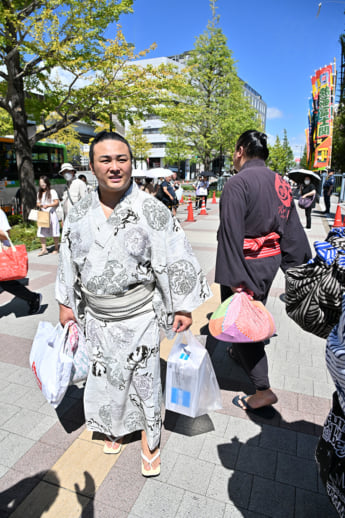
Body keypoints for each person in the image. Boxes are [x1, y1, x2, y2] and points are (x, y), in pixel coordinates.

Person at [55, 130, 211, 477]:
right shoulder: (78, 211)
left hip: (138, 313)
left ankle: (149, 438)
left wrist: (183, 307)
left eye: (121, 159)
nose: (114, 167)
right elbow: (67, 259)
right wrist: (66, 302)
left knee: (144, 379)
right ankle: (115, 427)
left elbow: (175, 258)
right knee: (107, 378)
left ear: (131, 163)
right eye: (105, 160)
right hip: (96, 315)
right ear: (92, 166)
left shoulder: (151, 209)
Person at [215, 130, 311, 414]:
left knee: (241, 319)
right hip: (269, 261)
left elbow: (231, 235)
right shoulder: (280, 182)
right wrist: (297, 267)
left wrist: (236, 279)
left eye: (234, 151)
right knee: (254, 310)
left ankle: (262, 389)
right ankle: (237, 351)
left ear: (240, 150)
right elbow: (291, 227)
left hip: (244, 261)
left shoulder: (237, 183)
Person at [0, 208, 42, 314]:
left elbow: (6, 234)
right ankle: (33, 298)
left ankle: (33, 298)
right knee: (6, 284)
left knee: (7, 284)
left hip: (2, 254)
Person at [36, 176, 60, 256]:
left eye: (43, 183)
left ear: (47, 183)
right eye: (41, 183)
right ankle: (44, 249)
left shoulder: (52, 191)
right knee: (41, 232)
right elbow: (38, 203)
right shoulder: (39, 193)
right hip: (43, 214)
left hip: (51, 213)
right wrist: (40, 205)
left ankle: (56, 248)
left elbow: (57, 202)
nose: (42, 185)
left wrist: (48, 205)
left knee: (54, 231)